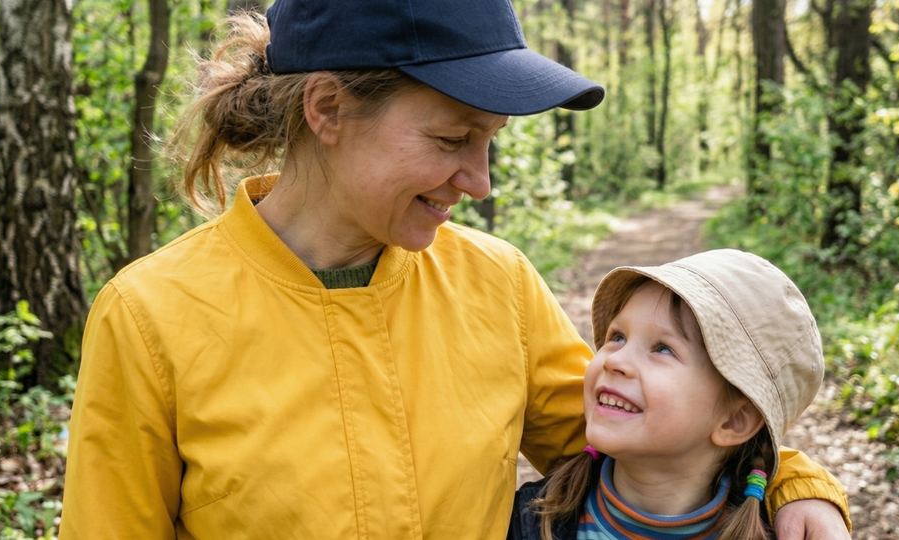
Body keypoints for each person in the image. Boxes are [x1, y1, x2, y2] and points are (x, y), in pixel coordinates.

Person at [58, 1, 851, 538]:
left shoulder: (494, 282)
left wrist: (788, 483)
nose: (480, 181)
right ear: (327, 109)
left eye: (490, 142)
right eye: (450, 140)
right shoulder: (151, 316)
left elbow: (642, 434)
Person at [508, 249, 851, 540]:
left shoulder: (775, 529)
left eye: (663, 349)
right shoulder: (532, 521)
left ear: (735, 419)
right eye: (618, 336)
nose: (615, 360)